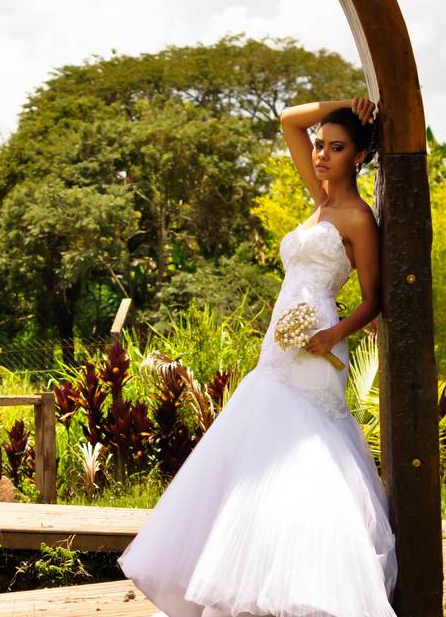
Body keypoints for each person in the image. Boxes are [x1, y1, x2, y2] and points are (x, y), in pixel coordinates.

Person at [117, 97, 395, 617]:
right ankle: (247, 584)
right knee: (259, 448)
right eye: (319, 146)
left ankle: (306, 590)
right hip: (277, 345)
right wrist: (347, 105)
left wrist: (332, 331)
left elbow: (374, 299)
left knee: (305, 450)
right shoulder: (318, 201)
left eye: (336, 148)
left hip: (318, 346)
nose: (320, 155)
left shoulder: (359, 218)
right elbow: (289, 118)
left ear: (358, 157)